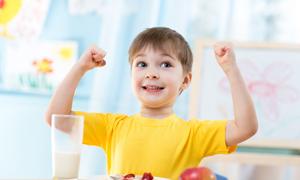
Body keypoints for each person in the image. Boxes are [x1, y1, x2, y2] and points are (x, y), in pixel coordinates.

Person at [45, 27, 258, 179]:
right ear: (131, 75)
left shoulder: (193, 133)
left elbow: (245, 127)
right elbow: (57, 120)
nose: (151, 73)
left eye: (165, 64)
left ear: (185, 80)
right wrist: (80, 68)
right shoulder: (113, 127)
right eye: (142, 64)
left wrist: (231, 70)